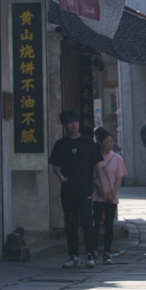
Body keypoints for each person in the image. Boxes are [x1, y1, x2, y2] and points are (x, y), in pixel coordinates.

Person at [49, 110, 103, 268]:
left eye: (75, 121)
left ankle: (90, 254)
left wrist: (103, 185)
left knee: (87, 219)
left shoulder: (88, 142)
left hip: (85, 188)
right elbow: (55, 166)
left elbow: (98, 165)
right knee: (70, 222)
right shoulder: (60, 144)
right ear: (65, 125)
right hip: (68, 189)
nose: (73, 125)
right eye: (70, 122)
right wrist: (60, 175)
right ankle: (73, 255)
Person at [92, 127, 127, 263]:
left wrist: (113, 194)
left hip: (112, 197)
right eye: (107, 142)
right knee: (95, 224)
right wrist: (101, 189)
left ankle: (107, 252)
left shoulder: (117, 158)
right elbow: (93, 177)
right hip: (97, 196)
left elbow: (119, 178)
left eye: (111, 142)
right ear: (100, 142)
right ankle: (94, 251)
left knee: (109, 226)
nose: (110, 144)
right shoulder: (95, 157)